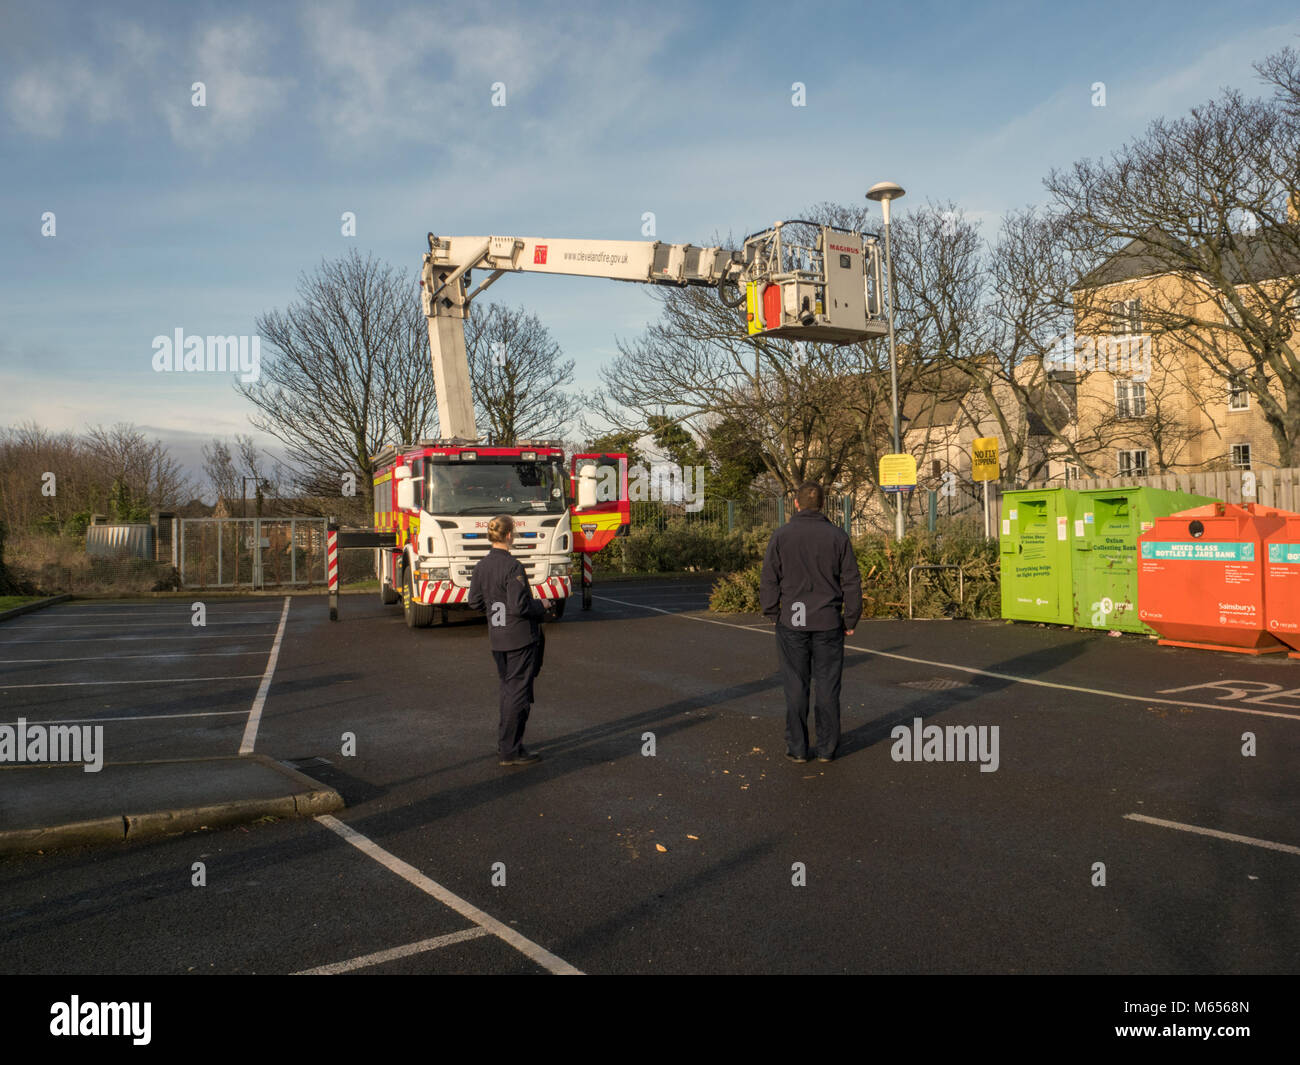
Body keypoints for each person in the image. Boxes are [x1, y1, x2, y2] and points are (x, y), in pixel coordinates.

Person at [759, 482, 862, 764]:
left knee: (795, 684)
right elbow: (851, 580)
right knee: (828, 686)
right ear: (823, 504)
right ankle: (827, 748)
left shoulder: (781, 536)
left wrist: (772, 612)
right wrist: (850, 618)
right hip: (828, 620)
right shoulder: (837, 536)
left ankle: (798, 748)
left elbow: (770, 577)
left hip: (793, 620)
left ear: (796, 503)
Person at [467, 514, 554, 767]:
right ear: (508, 535)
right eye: (513, 532)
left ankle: (507, 745)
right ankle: (510, 751)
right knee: (518, 694)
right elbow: (519, 606)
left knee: (508, 692)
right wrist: (543, 604)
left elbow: (475, 601)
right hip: (519, 638)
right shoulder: (513, 566)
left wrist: (497, 612)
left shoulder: (482, 566)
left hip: (498, 638)